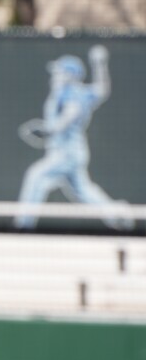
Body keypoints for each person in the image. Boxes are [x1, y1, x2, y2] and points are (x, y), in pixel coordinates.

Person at [14, 45, 132, 231]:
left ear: (70, 75)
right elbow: (102, 90)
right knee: (84, 192)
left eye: (59, 72)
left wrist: (51, 129)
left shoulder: (70, 92)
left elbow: (72, 113)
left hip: (66, 152)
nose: (55, 75)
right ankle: (118, 214)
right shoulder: (81, 92)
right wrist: (99, 64)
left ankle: (22, 226)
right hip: (72, 150)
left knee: (36, 176)